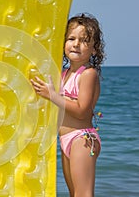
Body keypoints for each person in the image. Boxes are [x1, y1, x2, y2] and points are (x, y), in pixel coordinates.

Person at [31, 13, 105, 197]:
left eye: (84, 40)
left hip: (83, 139)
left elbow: (81, 111)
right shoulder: (63, 75)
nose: (76, 44)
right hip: (65, 139)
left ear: (94, 49)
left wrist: (52, 96)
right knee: (74, 193)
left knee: (83, 193)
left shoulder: (88, 74)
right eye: (71, 38)